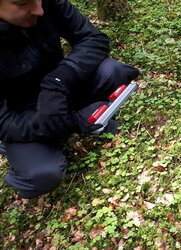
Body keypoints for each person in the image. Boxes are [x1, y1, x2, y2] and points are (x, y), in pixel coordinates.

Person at [0, 0, 139, 199]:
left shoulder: (46, 3)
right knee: (42, 175)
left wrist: (58, 81)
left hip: (62, 89)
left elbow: (93, 38)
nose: (39, 10)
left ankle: (80, 120)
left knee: (114, 72)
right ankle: (19, 152)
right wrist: (70, 122)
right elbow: (2, 121)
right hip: (25, 115)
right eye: (23, 3)